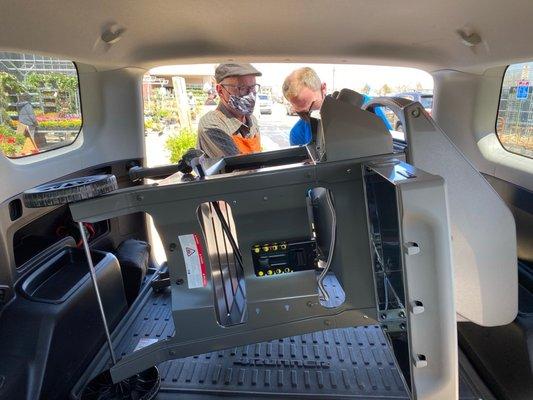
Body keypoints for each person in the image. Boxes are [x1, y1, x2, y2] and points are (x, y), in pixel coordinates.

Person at [282, 67, 392, 146]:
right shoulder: (297, 133)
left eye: (313, 106)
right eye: (301, 113)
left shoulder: (365, 106)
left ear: (323, 88)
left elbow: (391, 143)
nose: (309, 115)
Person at [197, 63, 262, 158]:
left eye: (253, 87)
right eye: (242, 88)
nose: (251, 95)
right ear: (220, 90)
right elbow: (240, 167)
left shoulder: (251, 120)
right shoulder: (211, 125)